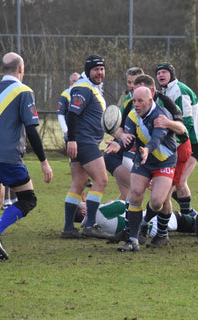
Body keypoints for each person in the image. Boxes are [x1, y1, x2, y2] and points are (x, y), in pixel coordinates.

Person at [0, 52, 53, 261]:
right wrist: (44, 161)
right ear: (21, 69)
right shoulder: (24, 91)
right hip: (8, 156)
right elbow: (32, 130)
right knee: (28, 199)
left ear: (2, 70)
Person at [105, 86, 177, 252]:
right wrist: (119, 145)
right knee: (136, 194)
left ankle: (144, 222)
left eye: (140, 101)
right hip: (142, 161)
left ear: (150, 101)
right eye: (134, 100)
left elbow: (157, 138)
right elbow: (129, 140)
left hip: (164, 161)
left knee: (158, 202)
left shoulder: (161, 115)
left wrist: (147, 149)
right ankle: (132, 240)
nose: (136, 104)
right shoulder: (132, 115)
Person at [129, 74, 191, 245]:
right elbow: (124, 128)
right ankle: (156, 233)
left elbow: (182, 128)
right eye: (133, 93)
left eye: (140, 96)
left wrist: (168, 123)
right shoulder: (133, 105)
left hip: (175, 151)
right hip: (148, 155)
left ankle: (158, 231)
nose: (135, 101)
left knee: (163, 198)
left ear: (152, 91)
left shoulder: (165, 103)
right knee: (158, 197)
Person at [60, 54, 110, 239]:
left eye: (102, 69)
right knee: (102, 180)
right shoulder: (83, 87)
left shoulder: (91, 87)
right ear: (88, 70)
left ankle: (68, 229)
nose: (100, 72)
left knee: (79, 184)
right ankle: (90, 224)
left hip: (83, 140)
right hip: (84, 141)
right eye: (96, 69)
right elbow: (72, 114)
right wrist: (72, 139)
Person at [156, 62, 198, 217]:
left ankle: (188, 217)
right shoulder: (164, 92)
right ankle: (188, 214)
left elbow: (187, 123)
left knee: (178, 181)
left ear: (172, 74)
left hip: (193, 141)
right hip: (180, 142)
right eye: (158, 73)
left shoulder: (179, 91)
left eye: (164, 72)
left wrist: (177, 143)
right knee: (175, 182)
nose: (161, 75)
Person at [104, 67, 144, 201]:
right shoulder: (127, 99)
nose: (131, 86)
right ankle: (125, 208)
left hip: (146, 147)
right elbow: (118, 126)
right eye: (129, 82)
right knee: (110, 156)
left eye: (135, 82)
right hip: (129, 146)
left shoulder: (151, 99)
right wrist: (121, 136)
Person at [57, 72, 80, 140]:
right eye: (74, 81)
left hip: (82, 133)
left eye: (78, 81)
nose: (76, 83)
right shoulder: (65, 94)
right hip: (70, 133)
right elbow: (60, 114)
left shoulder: (84, 93)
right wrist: (66, 131)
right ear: (70, 82)